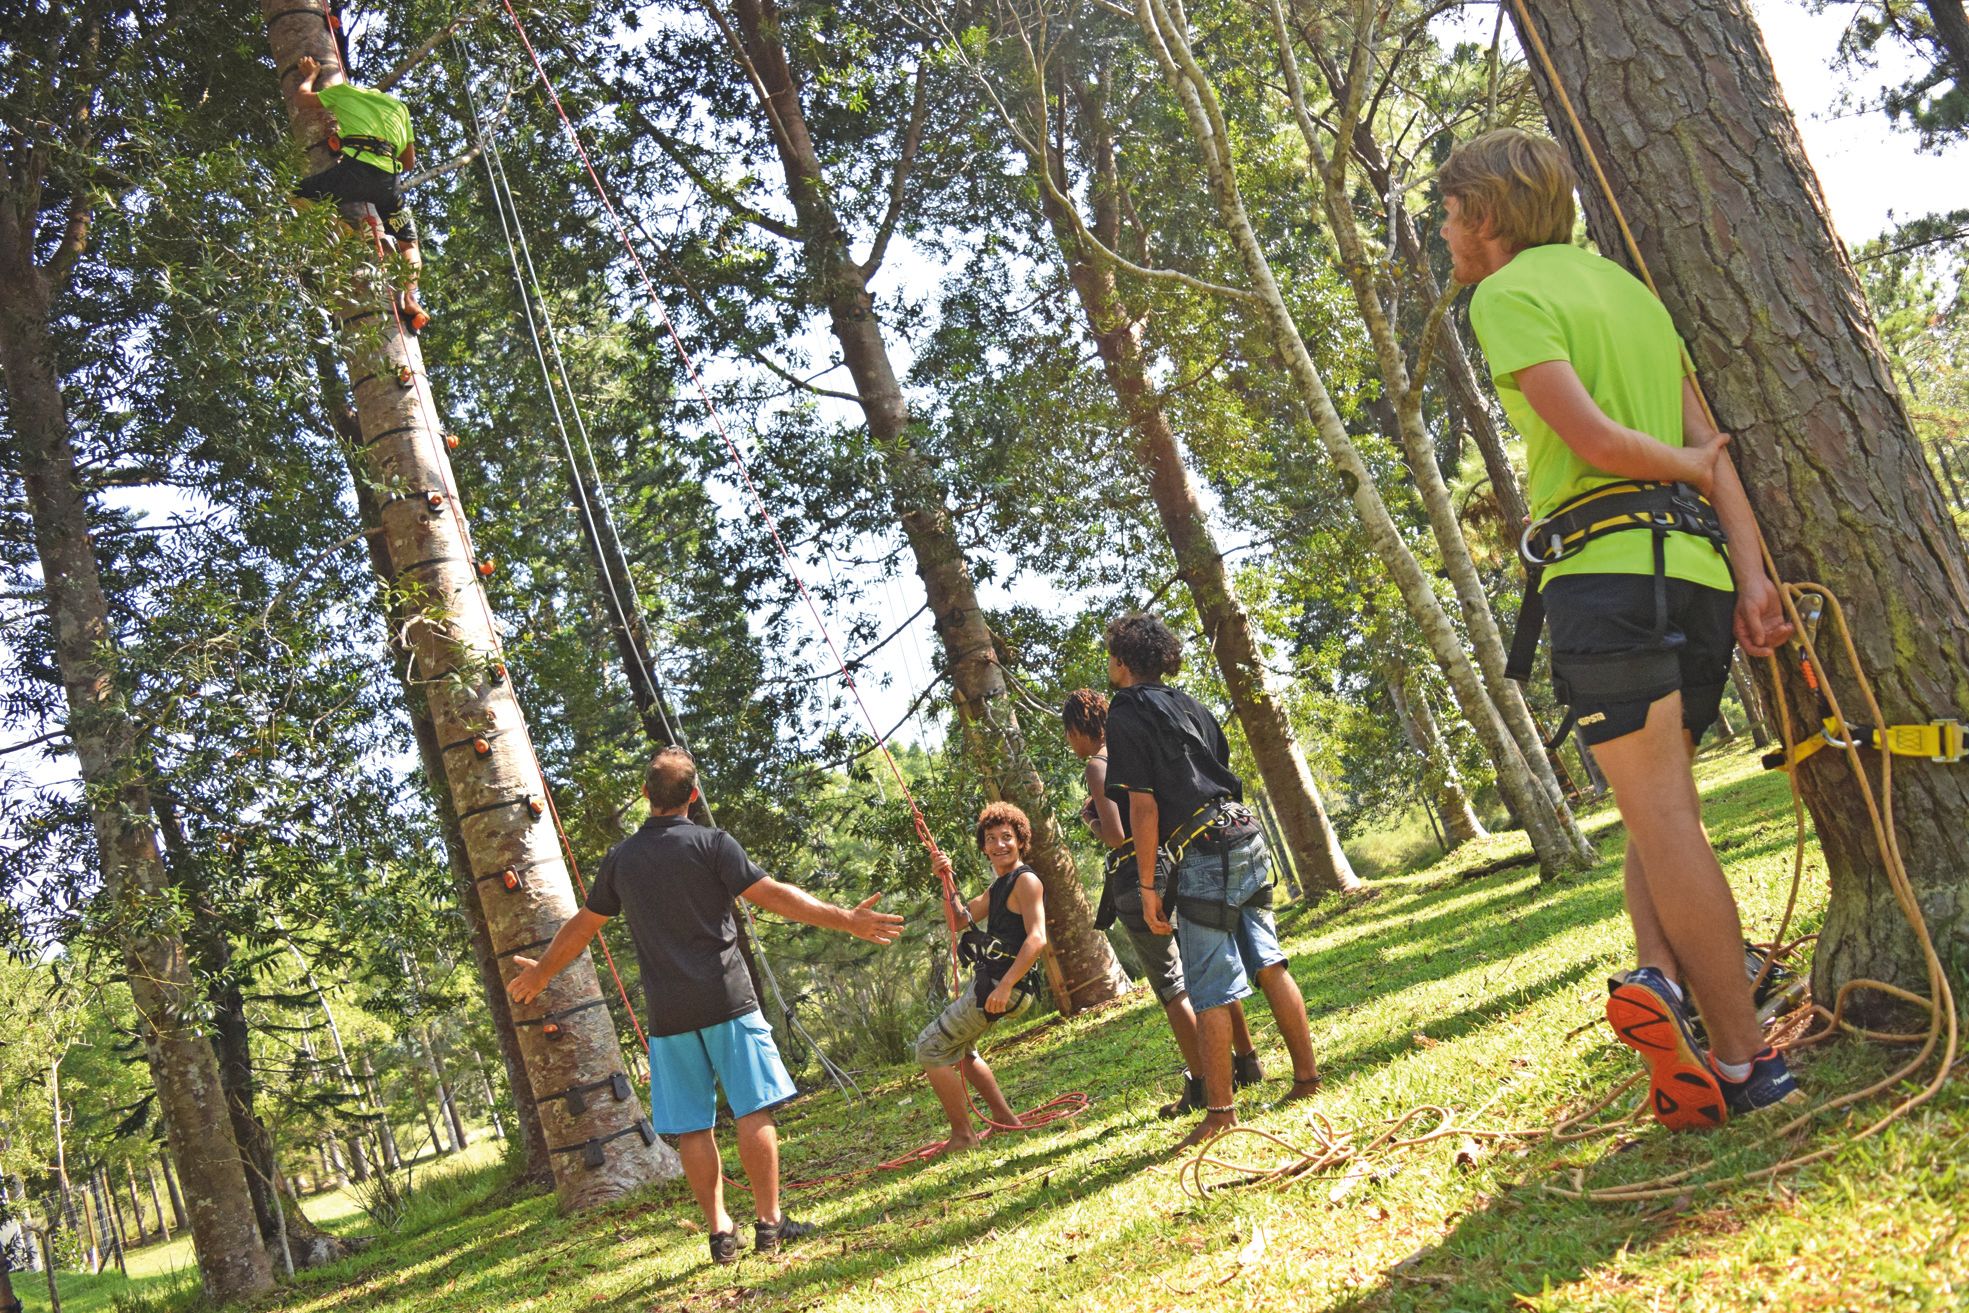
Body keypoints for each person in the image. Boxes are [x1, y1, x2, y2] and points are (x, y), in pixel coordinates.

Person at [1439, 128, 1802, 1129]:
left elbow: (1595, 441)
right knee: (1659, 804)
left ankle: (1742, 1060)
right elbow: (1709, 443)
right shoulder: (1631, 297)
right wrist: (1751, 573)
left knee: (1664, 818)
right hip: (1688, 576)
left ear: (1489, 221)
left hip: (1606, 578)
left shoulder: (1505, 296)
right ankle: (1663, 980)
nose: (1444, 232)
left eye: (1450, 214)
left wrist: (1682, 475)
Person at [507, 746, 903, 1265]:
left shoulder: (621, 860)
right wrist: (845, 919)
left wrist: (540, 974)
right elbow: (776, 896)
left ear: (646, 795)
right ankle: (768, 1225)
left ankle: (720, 1234)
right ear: (693, 796)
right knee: (751, 1109)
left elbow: (583, 926)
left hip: (670, 1016)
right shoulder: (713, 844)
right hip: (728, 1000)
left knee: (693, 1125)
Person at [1101, 616, 1322, 1148]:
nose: (1107, 663)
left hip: (1203, 851)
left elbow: (1144, 806)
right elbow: (1214, 773)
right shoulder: (1190, 704)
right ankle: (1307, 1080)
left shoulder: (1125, 712)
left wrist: (1151, 888)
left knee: (1208, 987)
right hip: (1246, 833)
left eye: (1110, 654)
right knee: (1268, 960)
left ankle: (1221, 1113)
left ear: (1124, 663)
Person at [1061, 688, 1265, 1120]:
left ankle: (1205, 1080)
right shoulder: (1136, 749)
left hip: (1137, 877)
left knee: (1172, 985)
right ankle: (1246, 1059)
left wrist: (1093, 821)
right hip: (1174, 863)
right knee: (1212, 966)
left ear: (1081, 728)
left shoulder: (1098, 766)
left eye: (1069, 733)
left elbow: (1119, 835)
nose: (1069, 742)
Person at [915, 802, 1048, 1152]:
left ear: (1021, 840)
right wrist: (945, 878)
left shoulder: (1026, 881)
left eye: (1007, 837)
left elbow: (1037, 938)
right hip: (993, 985)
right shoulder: (1000, 886)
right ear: (984, 846)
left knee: (930, 1047)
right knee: (961, 1050)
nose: (1000, 845)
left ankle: (964, 1135)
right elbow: (957, 921)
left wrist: (1005, 986)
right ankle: (1005, 1120)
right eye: (991, 839)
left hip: (1006, 986)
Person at [291, 54, 429, 328]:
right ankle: (411, 297)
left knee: (295, 194)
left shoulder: (343, 92)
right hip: (388, 184)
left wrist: (310, 75)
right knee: (408, 244)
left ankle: (345, 231)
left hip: (352, 174)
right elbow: (409, 162)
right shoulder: (399, 108)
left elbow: (302, 99)